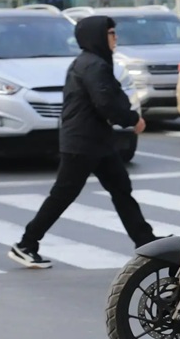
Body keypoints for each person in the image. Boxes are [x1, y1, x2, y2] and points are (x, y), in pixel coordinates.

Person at [9, 15, 155, 269]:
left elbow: (113, 93)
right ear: (98, 36)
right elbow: (106, 102)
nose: (115, 37)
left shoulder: (93, 62)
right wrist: (132, 120)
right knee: (63, 195)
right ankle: (26, 243)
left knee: (121, 188)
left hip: (97, 142)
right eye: (111, 32)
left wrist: (130, 117)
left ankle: (145, 241)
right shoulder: (93, 65)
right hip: (83, 143)